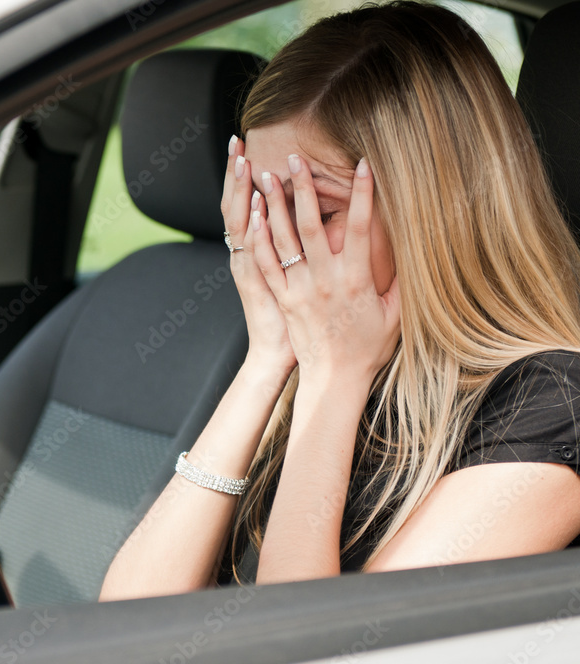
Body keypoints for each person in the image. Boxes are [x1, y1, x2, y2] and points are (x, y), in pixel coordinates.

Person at [99, 0, 580, 601]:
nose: (277, 241)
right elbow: (130, 615)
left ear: (430, 212)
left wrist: (333, 377)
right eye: (260, 205)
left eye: (313, 210)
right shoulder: (322, 351)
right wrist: (267, 359)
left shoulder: (549, 407)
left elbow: (303, 640)